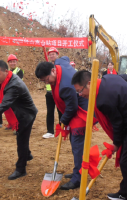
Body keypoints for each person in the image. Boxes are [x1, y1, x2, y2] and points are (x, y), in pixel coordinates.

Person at [72, 70, 127, 200]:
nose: (80, 95)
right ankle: (125, 192)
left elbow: (118, 123)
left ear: (89, 84)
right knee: (126, 160)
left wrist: (116, 144)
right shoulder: (108, 78)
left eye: (80, 91)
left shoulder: (104, 100)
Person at [35, 56, 89, 190]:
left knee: (77, 143)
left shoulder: (65, 86)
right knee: (75, 142)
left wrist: (62, 122)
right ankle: (79, 170)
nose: (47, 83)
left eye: (47, 79)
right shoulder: (59, 63)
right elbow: (64, 58)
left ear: (53, 71)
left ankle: (78, 178)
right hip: (75, 105)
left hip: (82, 110)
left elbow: (72, 107)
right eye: (44, 81)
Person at [0, 60, 37, 180]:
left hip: (26, 114)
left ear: (6, 71)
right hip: (19, 111)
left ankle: (21, 169)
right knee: (22, 136)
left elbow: (5, 104)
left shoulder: (14, 85)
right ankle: (27, 155)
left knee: (21, 140)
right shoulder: (5, 80)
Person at [42, 47, 62, 139]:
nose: (51, 55)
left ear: (57, 55)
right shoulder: (47, 66)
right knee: (50, 112)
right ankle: (50, 131)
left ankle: (63, 129)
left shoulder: (60, 66)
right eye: (50, 54)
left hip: (59, 92)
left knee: (61, 111)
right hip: (50, 93)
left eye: (53, 53)